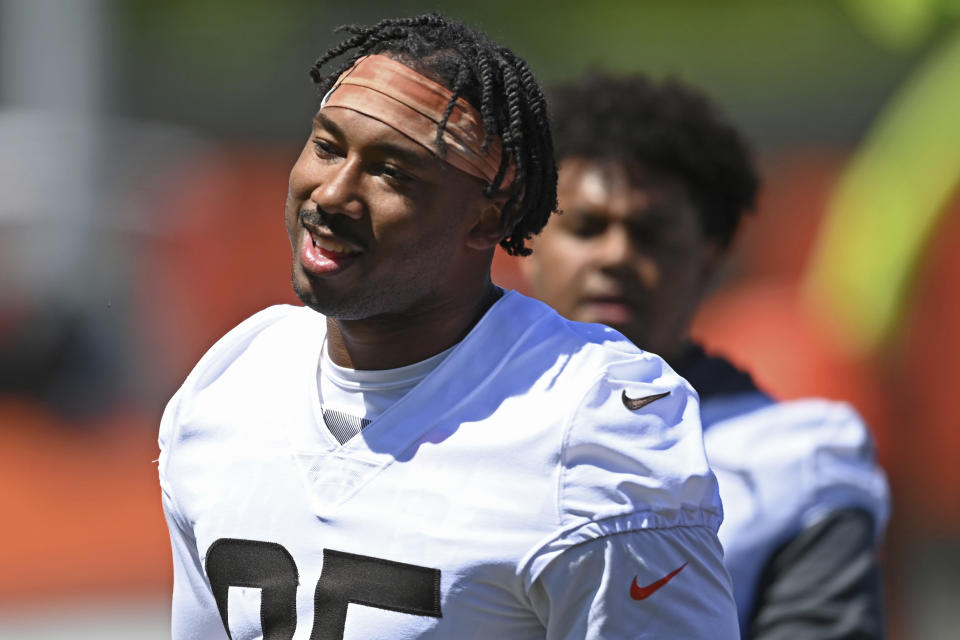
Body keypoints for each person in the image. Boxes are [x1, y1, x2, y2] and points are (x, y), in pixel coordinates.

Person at [157, 14, 739, 639]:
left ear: (487, 221)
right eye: (327, 147)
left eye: (393, 173)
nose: (331, 194)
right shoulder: (232, 381)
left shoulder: (590, 424)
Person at [522, 73, 891, 639]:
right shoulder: (437, 421)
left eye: (651, 233)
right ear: (527, 242)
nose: (617, 254)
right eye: (588, 228)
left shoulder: (798, 460)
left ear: (710, 257)